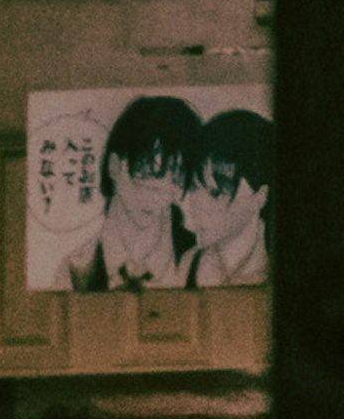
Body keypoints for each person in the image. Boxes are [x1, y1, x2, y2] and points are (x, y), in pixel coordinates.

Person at [58, 96, 204, 290]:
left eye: (176, 179)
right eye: (146, 172)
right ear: (115, 167)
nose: (159, 192)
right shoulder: (75, 270)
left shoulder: (200, 263)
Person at [185, 108, 272, 285]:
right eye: (194, 188)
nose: (196, 204)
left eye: (216, 193)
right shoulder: (188, 265)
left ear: (260, 196)